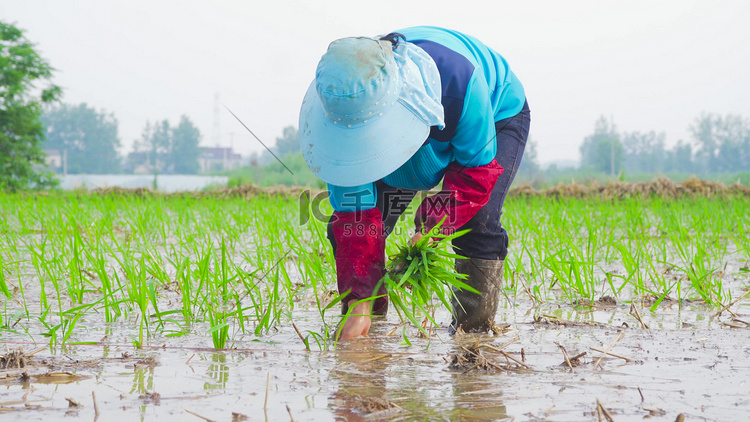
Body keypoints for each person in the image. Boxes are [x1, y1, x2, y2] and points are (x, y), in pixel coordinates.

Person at [299, 26, 530, 340]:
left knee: (478, 221)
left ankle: (472, 337)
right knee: (354, 231)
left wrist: (431, 227)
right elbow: (356, 215)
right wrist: (358, 301)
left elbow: (474, 173)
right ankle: (371, 329)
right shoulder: (341, 108)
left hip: (495, 110)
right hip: (414, 126)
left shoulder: (459, 84)